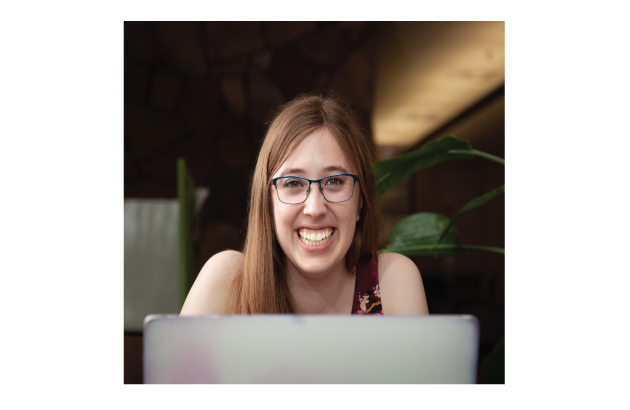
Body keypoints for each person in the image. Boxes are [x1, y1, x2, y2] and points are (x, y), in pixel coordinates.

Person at [180, 93, 429, 316]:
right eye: (293, 183)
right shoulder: (229, 281)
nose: (314, 208)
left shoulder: (392, 282)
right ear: (268, 202)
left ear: (360, 200)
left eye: (334, 180)